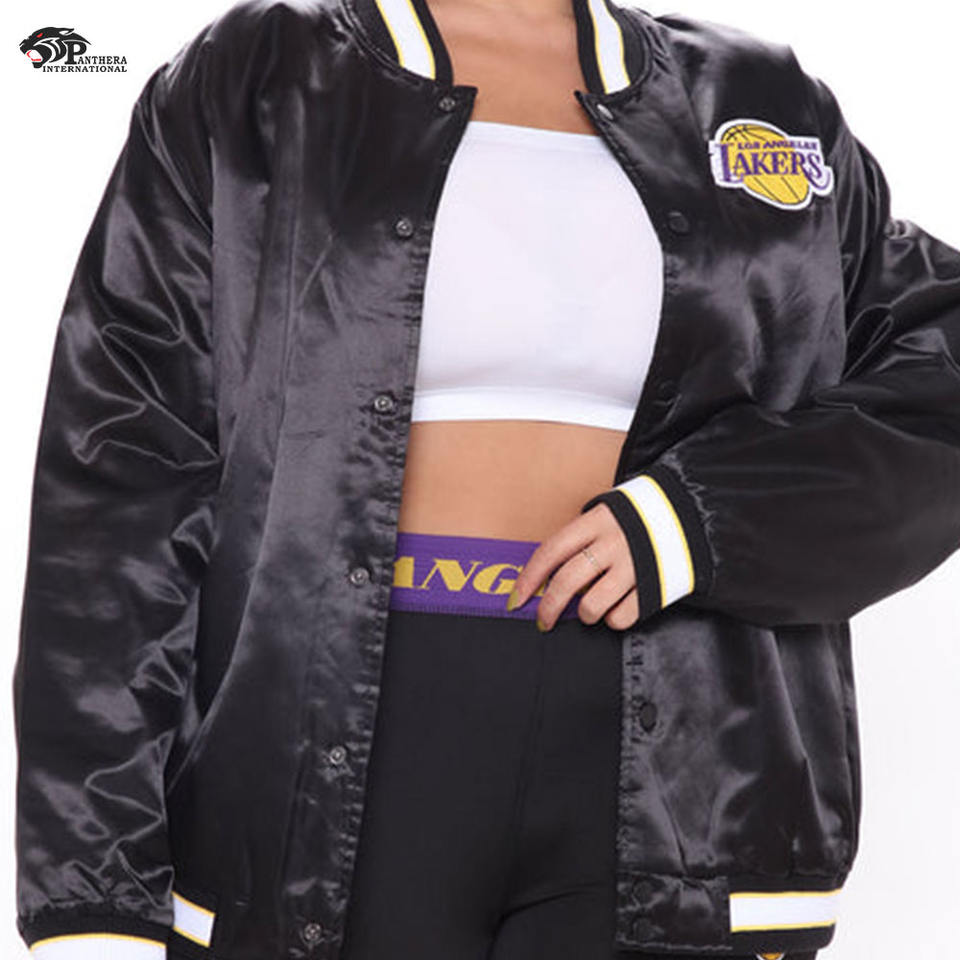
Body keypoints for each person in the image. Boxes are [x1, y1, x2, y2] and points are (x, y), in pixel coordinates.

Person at [12, 1, 960, 959]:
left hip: (686, 775)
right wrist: (94, 897)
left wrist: (700, 520)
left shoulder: (757, 101)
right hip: (323, 753)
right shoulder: (254, 75)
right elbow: (119, 477)